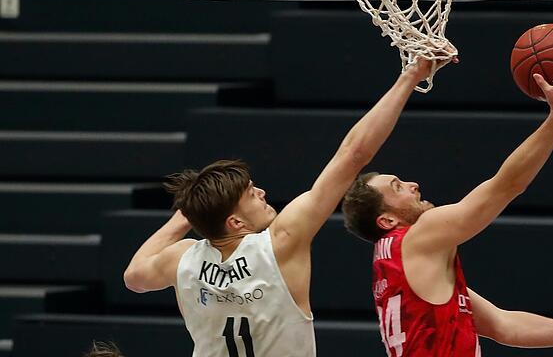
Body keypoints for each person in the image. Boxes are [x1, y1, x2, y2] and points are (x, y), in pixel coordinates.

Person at [123, 56, 452, 357]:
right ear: (235, 222)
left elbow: (134, 277)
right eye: (252, 194)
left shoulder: (182, 259)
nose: (263, 192)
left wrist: (187, 214)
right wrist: (410, 76)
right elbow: (353, 155)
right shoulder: (279, 244)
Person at [342, 52, 553, 357]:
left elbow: (504, 326)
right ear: (387, 220)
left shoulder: (397, 262)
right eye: (398, 187)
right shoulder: (418, 238)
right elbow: (507, 186)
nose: (413, 185)